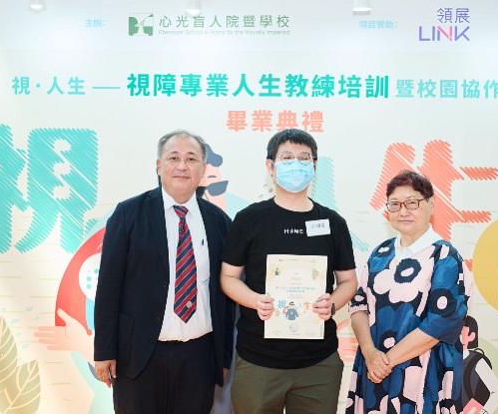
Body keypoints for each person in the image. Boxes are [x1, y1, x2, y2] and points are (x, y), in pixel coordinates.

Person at [94, 130, 234, 414]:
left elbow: (225, 295)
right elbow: (109, 287)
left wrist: (223, 355)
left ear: (203, 169)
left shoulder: (219, 222)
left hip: (199, 355)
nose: (182, 166)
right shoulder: (129, 213)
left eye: (191, 159)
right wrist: (105, 351)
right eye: (173, 158)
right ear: (159, 166)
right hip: (140, 354)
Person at [220, 129, 358, 414]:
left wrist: (332, 302)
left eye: (304, 158)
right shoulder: (249, 219)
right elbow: (228, 277)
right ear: (270, 166)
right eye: (287, 158)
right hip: (258, 359)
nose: (296, 164)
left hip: (318, 363)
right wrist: (253, 300)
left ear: (314, 166)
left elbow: (348, 281)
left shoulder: (332, 222)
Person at [346, 170, 473, 414]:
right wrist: (371, 354)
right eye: (395, 205)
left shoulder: (445, 257)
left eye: (412, 203)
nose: (403, 211)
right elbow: (358, 305)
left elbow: (439, 324)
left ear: (431, 204)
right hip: (374, 370)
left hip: (425, 373)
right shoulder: (380, 254)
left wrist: (385, 362)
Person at [461, 316, 498, 414]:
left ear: (471, 336)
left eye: (461, 331)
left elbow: (497, 391)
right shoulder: (445, 359)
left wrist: (483, 412)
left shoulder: (477, 361)